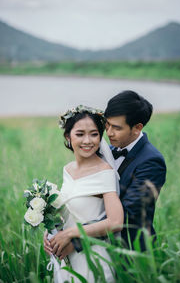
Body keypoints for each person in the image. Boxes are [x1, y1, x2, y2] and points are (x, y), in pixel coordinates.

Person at [44, 105, 124, 282]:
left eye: (94, 134)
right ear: (68, 136)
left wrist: (69, 234)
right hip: (67, 257)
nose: (88, 141)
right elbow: (72, 211)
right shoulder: (68, 169)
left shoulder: (105, 173)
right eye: (80, 134)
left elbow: (116, 222)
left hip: (93, 258)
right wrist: (52, 233)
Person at [104, 90, 166, 250]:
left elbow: (129, 215)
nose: (109, 132)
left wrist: (77, 234)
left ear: (137, 128)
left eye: (116, 128)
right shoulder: (108, 151)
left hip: (131, 252)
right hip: (102, 248)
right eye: (107, 124)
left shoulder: (152, 161)